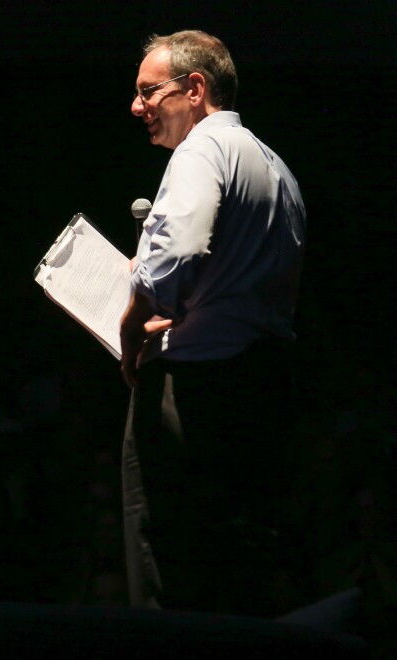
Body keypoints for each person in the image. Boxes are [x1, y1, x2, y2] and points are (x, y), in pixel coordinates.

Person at [119, 31, 306, 616]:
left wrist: (131, 325)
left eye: (149, 91)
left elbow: (179, 250)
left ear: (195, 89)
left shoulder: (200, 151)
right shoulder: (277, 168)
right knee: (233, 562)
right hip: (260, 381)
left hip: (195, 386)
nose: (136, 106)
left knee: (164, 562)